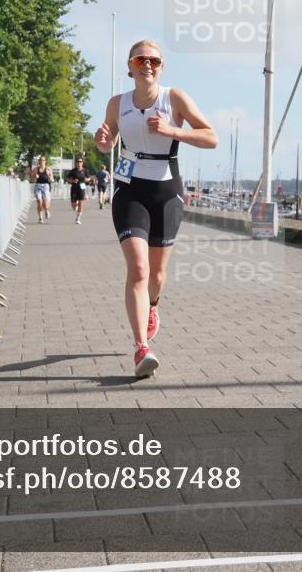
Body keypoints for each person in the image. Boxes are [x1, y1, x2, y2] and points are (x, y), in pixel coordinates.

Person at [94, 40, 217, 377]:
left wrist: (172, 130)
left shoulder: (174, 98)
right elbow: (108, 140)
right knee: (138, 269)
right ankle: (140, 349)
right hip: (130, 190)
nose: (147, 65)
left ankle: (153, 306)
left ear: (161, 67)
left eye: (154, 60)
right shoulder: (117, 104)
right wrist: (102, 140)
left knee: (157, 276)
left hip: (166, 191)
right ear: (130, 67)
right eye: (140, 59)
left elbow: (211, 136)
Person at [66, 156, 89, 224]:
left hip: (82, 188)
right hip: (74, 188)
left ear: (82, 163)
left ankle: (78, 218)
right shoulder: (73, 171)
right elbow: (67, 178)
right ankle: (76, 208)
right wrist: (72, 180)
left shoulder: (85, 171)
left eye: (80, 162)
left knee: (81, 204)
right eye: (78, 162)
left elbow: (89, 178)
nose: (79, 163)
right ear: (76, 163)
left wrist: (86, 179)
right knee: (73, 205)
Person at [31, 155, 53, 223]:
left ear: (45, 161)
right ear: (39, 161)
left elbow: (52, 179)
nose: (41, 162)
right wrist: (35, 176)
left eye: (43, 160)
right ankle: (40, 218)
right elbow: (32, 179)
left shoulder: (48, 169)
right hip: (38, 186)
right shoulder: (35, 169)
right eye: (40, 160)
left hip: (46, 186)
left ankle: (46, 210)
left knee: (45, 204)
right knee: (39, 202)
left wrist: (49, 177)